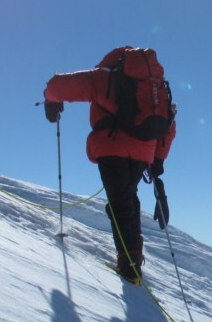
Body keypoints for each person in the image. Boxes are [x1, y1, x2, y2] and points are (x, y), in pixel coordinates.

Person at [42, 47, 176, 284]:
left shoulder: (107, 77)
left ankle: (129, 266)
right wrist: (158, 162)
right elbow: (168, 126)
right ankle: (133, 255)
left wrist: (51, 100)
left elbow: (57, 86)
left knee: (119, 203)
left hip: (111, 146)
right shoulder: (157, 88)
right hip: (143, 153)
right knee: (128, 198)